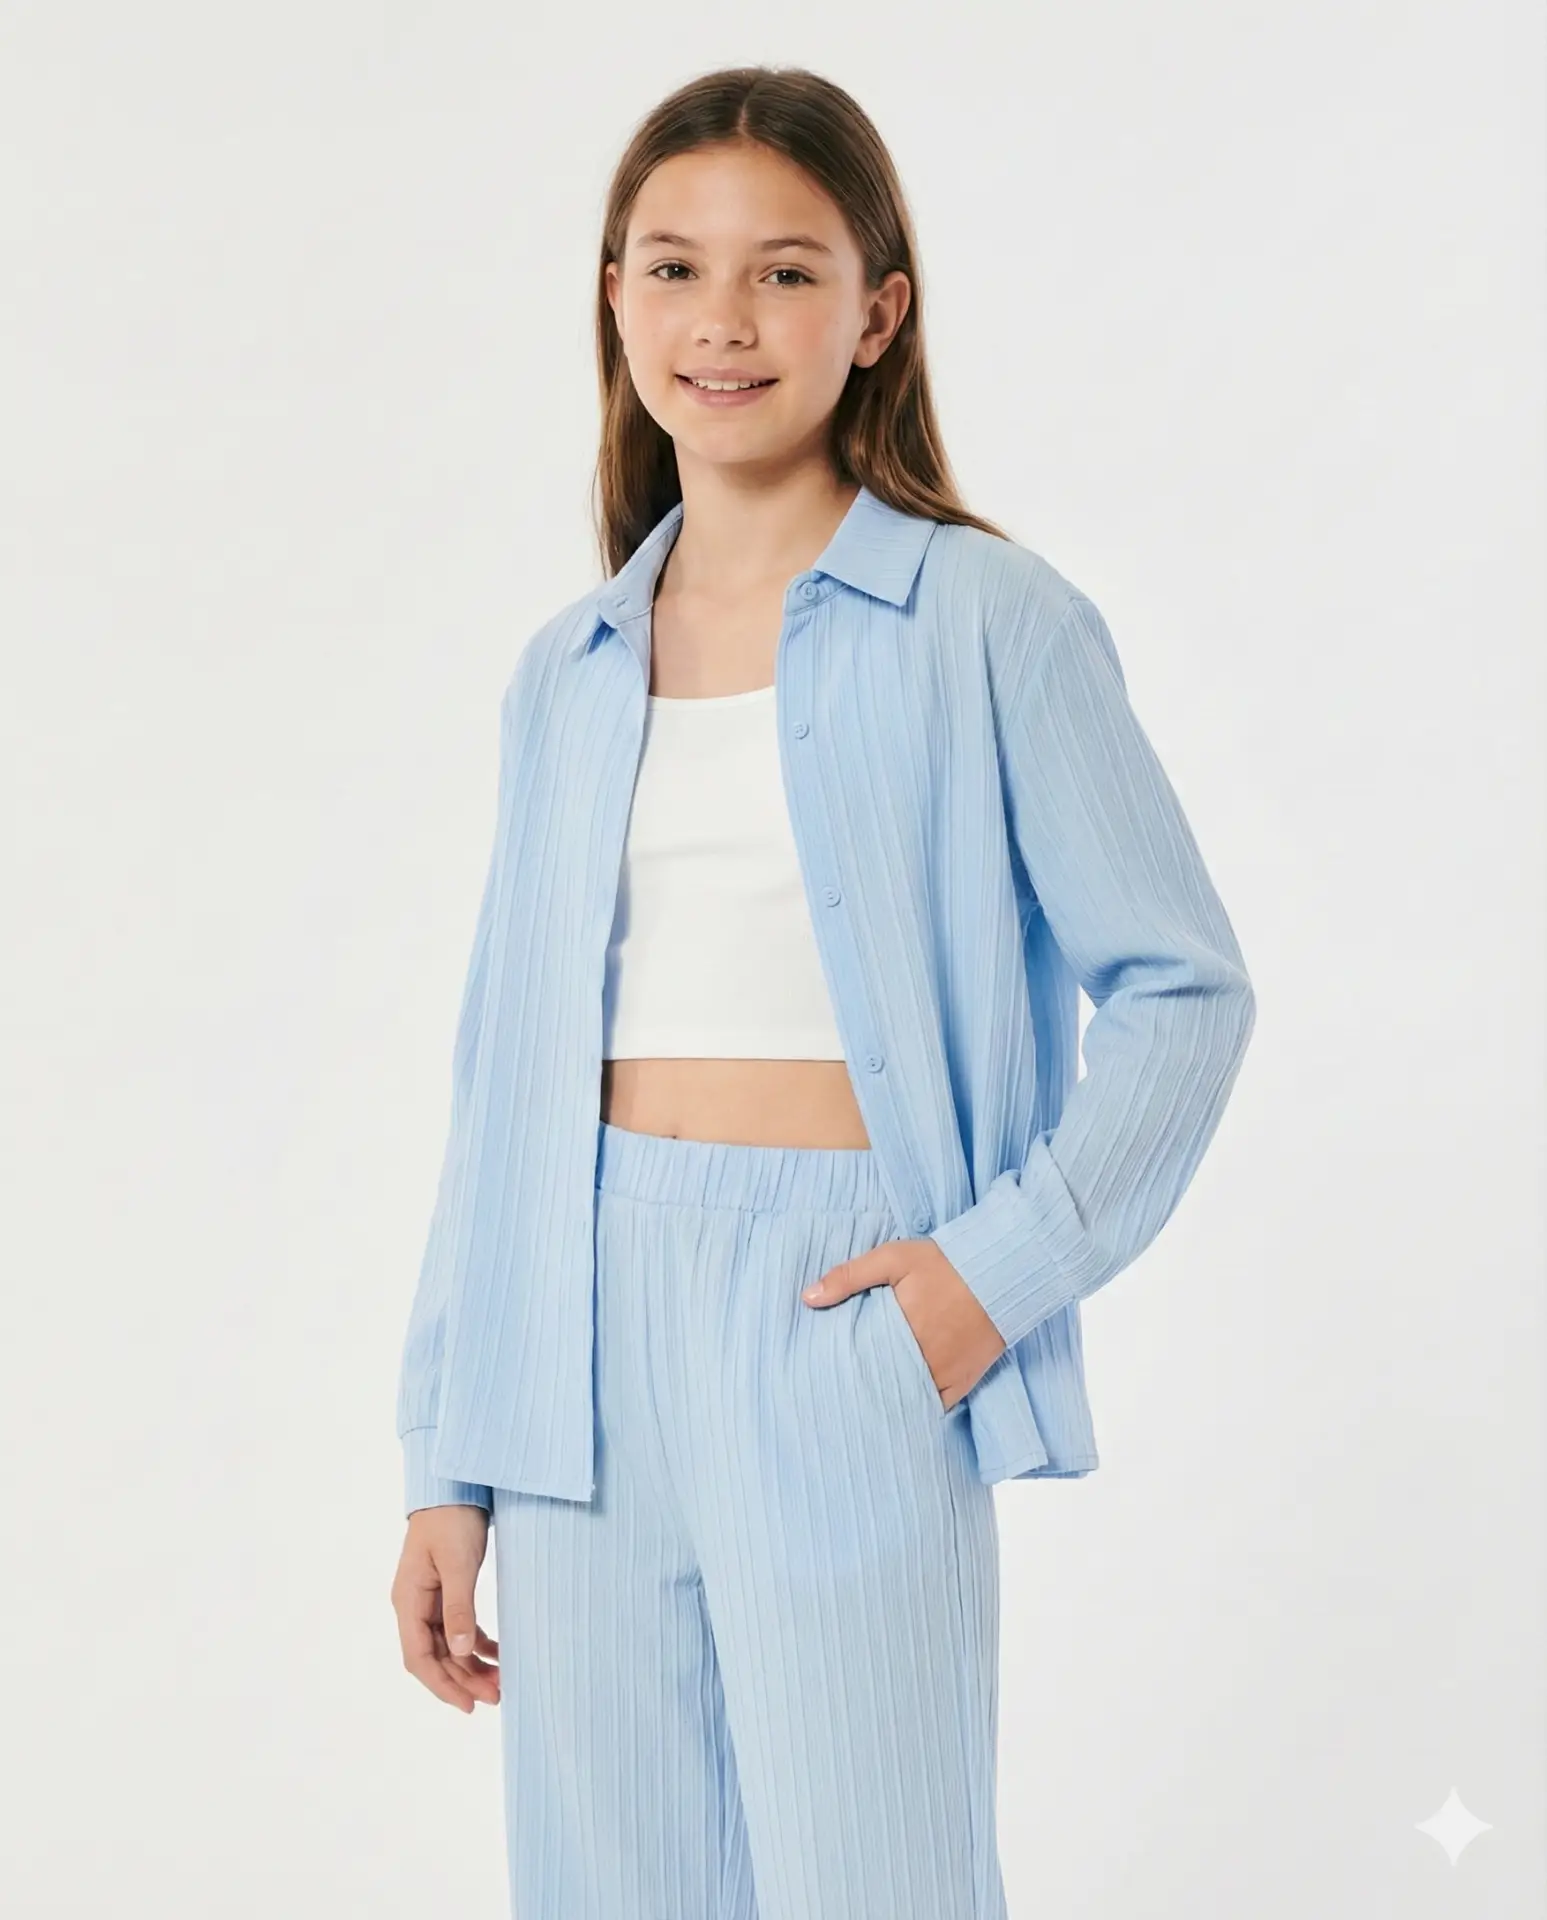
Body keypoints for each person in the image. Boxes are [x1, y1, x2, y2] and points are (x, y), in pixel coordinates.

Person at [388, 63, 1255, 1920]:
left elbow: (1183, 993)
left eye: (784, 272)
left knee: (878, 1881)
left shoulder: (991, 625)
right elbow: (500, 1086)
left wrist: (979, 1283)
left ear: (876, 313)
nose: (722, 319)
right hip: (577, 1344)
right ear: (613, 299)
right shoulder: (567, 670)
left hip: (843, 1310)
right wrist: (446, 1457)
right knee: (611, 1886)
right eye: (673, 267)